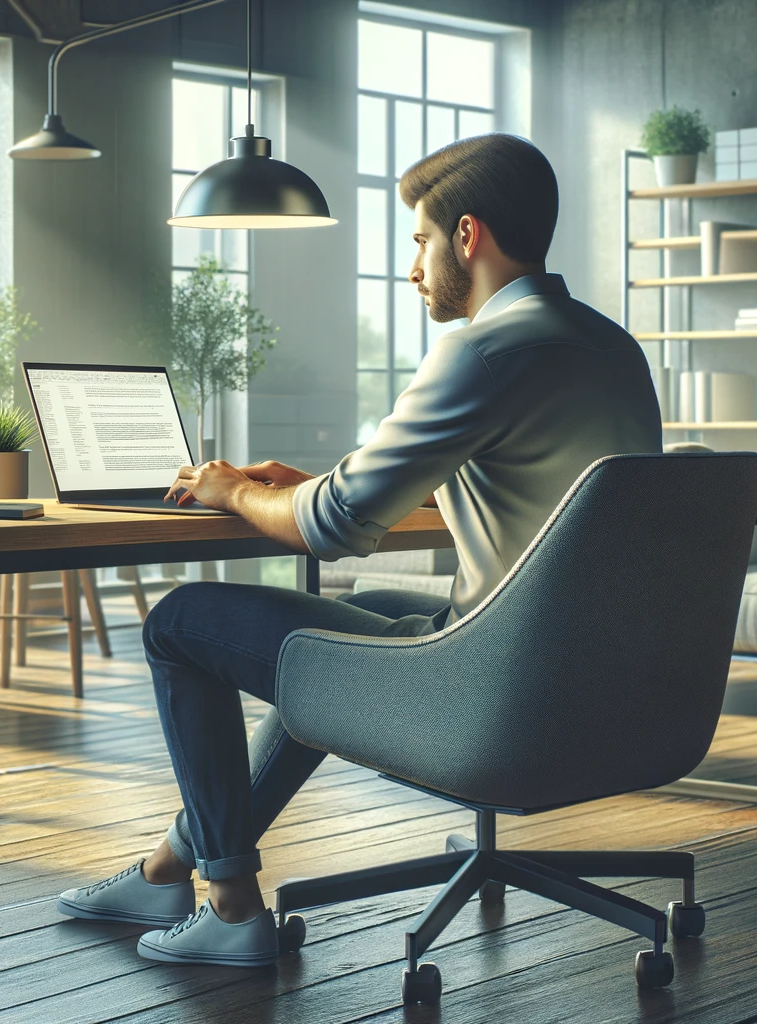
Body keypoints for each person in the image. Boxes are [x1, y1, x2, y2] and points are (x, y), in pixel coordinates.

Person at [55, 133, 664, 967]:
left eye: (419, 241)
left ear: (467, 235)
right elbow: (509, 491)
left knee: (180, 621)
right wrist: (316, 481)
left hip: (496, 695)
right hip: (603, 681)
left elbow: (331, 528)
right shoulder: (609, 348)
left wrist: (236, 490)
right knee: (356, 615)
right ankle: (169, 868)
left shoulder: (485, 348)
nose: (412, 267)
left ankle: (231, 911)